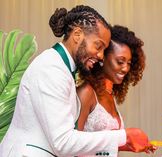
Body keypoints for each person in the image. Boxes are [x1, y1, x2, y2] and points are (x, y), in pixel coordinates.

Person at [0, 5, 151, 157]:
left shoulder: (62, 68)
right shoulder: (51, 68)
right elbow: (63, 142)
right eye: (98, 46)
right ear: (77, 35)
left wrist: (124, 143)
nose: (100, 56)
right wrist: (123, 136)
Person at [76, 25, 156, 156]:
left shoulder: (109, 94)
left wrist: (130, 145)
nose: (125, 68)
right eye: (120, 62)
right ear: (102, 58)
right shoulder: (87, 92)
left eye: (129, 63)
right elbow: (73, 144)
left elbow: (103, 145)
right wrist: (128, 135)